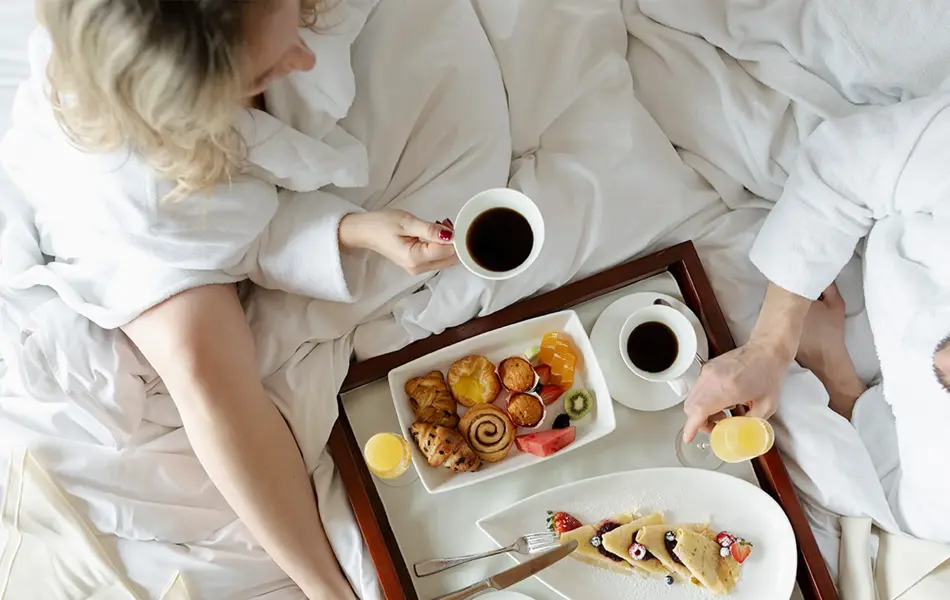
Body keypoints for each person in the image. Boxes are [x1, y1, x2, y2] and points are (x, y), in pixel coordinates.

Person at [0, 1, 464, 598]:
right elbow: (246, 236)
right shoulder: (142, 194)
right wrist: (348, 230)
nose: (302, 59)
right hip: (133, 225)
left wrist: (362, 229)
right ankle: (326, 587)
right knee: (204, 369)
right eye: (264, 72)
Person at [682, 93, 950, 542]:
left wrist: (832, 366)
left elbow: (897, 490)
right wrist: (770, 345)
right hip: (871, 211)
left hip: (845, 352)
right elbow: (843, 166)